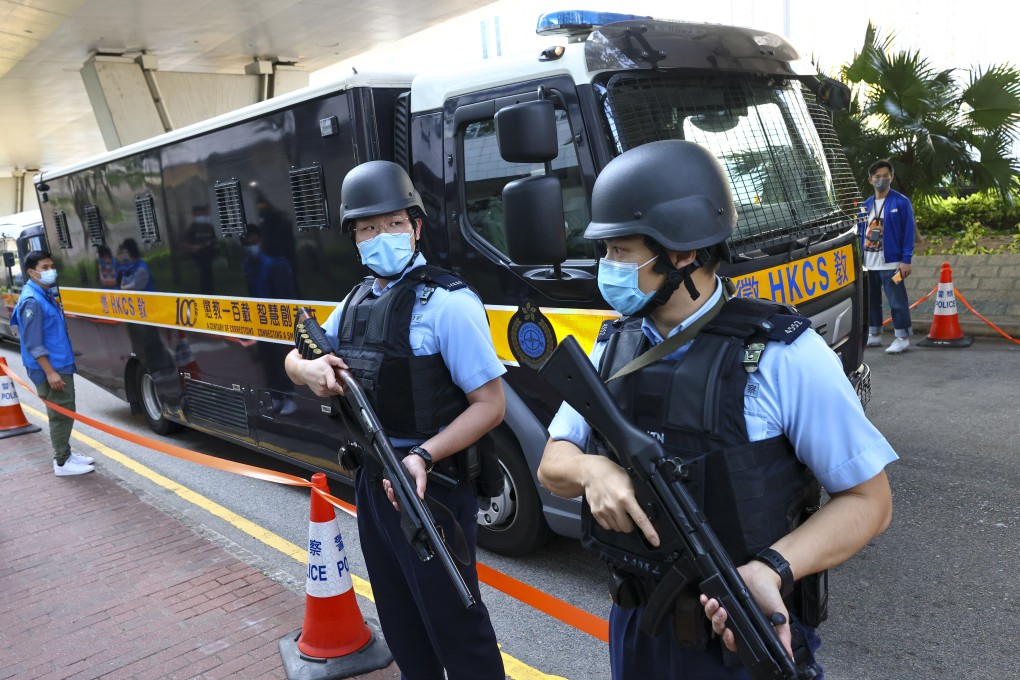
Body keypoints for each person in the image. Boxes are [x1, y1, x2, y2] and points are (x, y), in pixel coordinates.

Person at [537, 140, 897, 679]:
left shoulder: (782, 355)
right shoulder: (611, 346)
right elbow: (552, 463)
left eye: (621, 252)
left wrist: (774, 568)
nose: (606, 268)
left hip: (744, 634)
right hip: (640, 626)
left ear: (682, 254)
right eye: (605, 252)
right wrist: (594, 469)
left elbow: (870, 500)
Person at [284, 161, 506, 680]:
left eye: (393, 224)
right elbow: (294, 355)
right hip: (372, 479)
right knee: (401, 620)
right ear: (355, 240)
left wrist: (423, 455)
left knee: (457, 622)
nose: (380, 236)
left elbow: (490, 405)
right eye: (367, 228)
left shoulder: (448, 304)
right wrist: (307, 368)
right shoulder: (357, 299)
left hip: (431, 484)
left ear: (416, 227)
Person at [10, 251, 94, 476]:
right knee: (60, 413)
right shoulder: (32, 301)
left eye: (51, 266)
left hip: (58, 364)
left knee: (66, 411)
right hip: (52, 368)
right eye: (45, 268)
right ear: (31, 272)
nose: (50, 271)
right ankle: (62, 463)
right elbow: (33, 342)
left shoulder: (42, 294)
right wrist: (50, 372)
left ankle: (65, 454)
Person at [859, 159, 916, 354]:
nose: (881, 179)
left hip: (893, 264)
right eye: (877, 176)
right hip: (869, 264)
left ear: (891, 177)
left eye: (885, 176)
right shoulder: (865, 205)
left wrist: (906, 260)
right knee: (871, 301)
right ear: (870, 180)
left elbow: (908, 233)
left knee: (897, 301)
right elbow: (859, 232)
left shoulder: (901, 202)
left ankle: (902, 337)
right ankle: (874, 334)